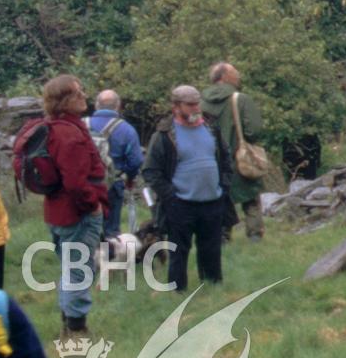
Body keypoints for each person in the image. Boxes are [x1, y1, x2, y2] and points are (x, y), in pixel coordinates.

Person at [35, 76, 108, 338]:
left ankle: (69, 323)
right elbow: (76, 183)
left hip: (56, 210)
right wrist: (93, 206)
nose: (84, 96)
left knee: (71, 267)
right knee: (79, 269)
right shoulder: (69, 135)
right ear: (65, 100)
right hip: (76, 214)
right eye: (79, 93)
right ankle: (77, 329)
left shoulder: (52, 127)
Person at [145, 85, 232, 294]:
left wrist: (224, 186)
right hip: (181, 204)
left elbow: (226, 159)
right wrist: (171, 197)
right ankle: (177, 291)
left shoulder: (212, 129)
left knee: (211, 248)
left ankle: (213, 287)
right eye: (190, 105)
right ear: (176, 107)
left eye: (197, 103)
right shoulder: (164, 135)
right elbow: (150, 171)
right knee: (179, 250)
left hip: (213, 200)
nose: (196, 108)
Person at [201, 62, 264, 242]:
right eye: (235, 73)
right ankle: (255, 238)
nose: (239, 77)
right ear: (225, 77)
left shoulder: (200, 102)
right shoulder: (240, 99)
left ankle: (223, 237)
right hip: (239, 158)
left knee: (218, 199)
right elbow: (255, 130)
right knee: (251, 198)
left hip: (211, 160)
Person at [86, 90, 143, 245]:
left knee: (84, 226)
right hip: (112, 184)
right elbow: (136, 161)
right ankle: (110, 263)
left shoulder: (81, 125)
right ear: (118, 106)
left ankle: (83, 263)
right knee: (111, 229)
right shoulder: (127, 129)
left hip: (82, 184)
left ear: (96, 105)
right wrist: (128, 177)